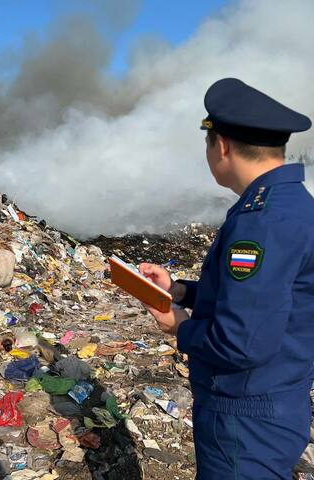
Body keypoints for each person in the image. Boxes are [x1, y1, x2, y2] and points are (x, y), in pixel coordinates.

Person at [139, 78, 313, 479]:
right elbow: (256, 299)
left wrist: (178, 325)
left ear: (220, 146)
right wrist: (179, 289)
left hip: (245, 415)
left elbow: (242, 342)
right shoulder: (286, 204)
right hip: (274, 399)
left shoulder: (261, 223)